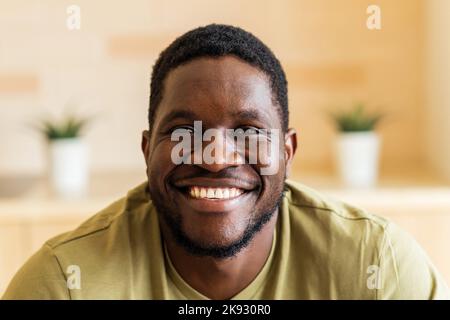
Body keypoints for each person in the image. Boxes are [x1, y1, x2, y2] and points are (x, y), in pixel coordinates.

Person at [3, 24, 449, 300]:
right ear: (146, 151)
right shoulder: (64, 286)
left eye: (249, 132)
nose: (216, 157)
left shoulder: (377, 269)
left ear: (287, 153)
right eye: (183, 131)